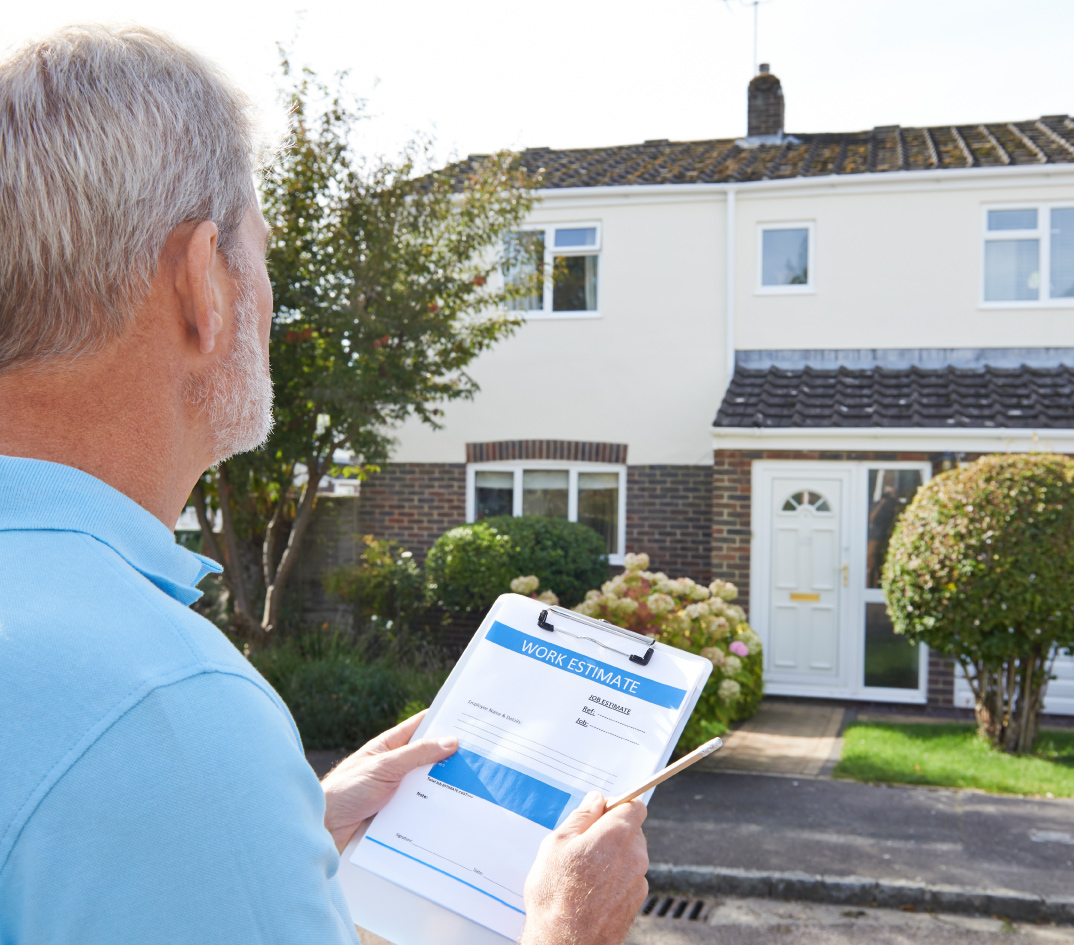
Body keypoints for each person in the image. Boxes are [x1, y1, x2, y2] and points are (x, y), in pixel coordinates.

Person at [0, 25, 648, 945]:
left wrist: (278, 833)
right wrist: (566, 932)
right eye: (260, 259)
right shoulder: (164, 713)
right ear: (201, 284)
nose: (271, 301)